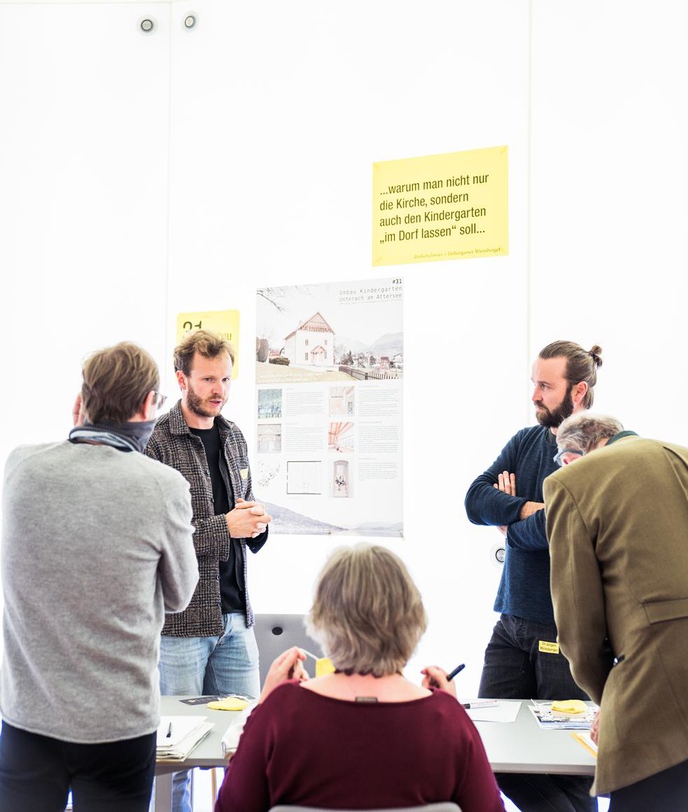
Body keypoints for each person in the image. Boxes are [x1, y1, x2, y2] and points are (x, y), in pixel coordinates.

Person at [0, 342, 199, 812]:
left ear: (80, 401)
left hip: (28, 717)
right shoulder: (162, 485)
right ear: (148, 405)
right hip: (118, 725)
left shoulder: (20, 467)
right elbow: (180, 595)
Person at [214, 543, 504, 812]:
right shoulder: (447, 720)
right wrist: (448, 711)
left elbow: (229, 808)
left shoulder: (280, 711)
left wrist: (263, 705)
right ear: (412, 617)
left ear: (324, 619)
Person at [464, 340, 603, 812]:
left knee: (569, 767)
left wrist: (508, 524)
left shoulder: (597, 451)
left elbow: (562, 528)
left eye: (546, 385)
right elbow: (474, 500)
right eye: (534, 384)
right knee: (489, 752)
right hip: (511, 622)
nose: (535, 395)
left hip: (564, 633)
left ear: (578, 391)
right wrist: (526, 507)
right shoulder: (526, 441)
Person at [545, 413, 688, 811]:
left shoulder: (570, 482)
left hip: (659, 688)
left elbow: (578, 630)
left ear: (569, 456)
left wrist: (611, 702)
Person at [146, 329, 271, 812]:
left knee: (250, 752)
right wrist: (226, 527)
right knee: (174, 759)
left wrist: (254, 524)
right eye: (208, 380)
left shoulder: (234, 436)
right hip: (181, 626)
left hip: (236, 620)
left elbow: (243, 511)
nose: (220, 390)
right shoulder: (156, 443)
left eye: (225, 379)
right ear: (182, 380)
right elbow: (157, 539)